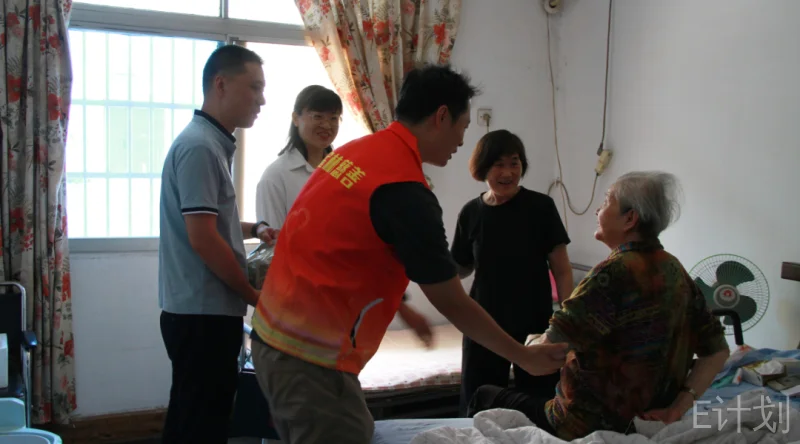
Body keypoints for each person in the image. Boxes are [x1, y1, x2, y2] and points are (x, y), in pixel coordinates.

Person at [249, 64, 569, 444]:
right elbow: (451, 298)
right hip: (308, 355)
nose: (461, 141)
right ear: (442, 117)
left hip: (278, 335)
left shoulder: (355, 153)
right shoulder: (405, 188)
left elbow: (348, 252)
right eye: (463, 127)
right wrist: (523, 356)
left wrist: (401, 307)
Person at [467, 171, 730, 440]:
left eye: (605, 202)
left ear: (629, 219)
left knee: (483, 395)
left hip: (583, 426)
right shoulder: (676, 271)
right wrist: (678, 408)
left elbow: (545, 356)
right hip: (651, 423)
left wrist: (532, 342)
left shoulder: (611, 275)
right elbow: (718, 351)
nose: (597, 210)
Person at [157, 44, 278, 444]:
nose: (261, 100)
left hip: (200, 312)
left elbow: (211, 223)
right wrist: (251, 295)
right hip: (202, 315)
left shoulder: (210, 143)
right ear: (221, 84)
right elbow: (204, 239)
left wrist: (255, 227)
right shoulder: (200, 147)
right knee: (202, 425)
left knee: (191, 418)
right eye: (254, 87)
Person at [254, 84, 434, 346]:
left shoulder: (345, 168)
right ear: (296, 118)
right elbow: (273, 250)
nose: (326, 125)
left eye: (334, 118)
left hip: (344, 305)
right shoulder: (276, 176)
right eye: (317, 116)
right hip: (298, 307)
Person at [451, 129, 574, 415]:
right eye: (499, 164)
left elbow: (562, 270)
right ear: (482, 168)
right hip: (484, 323)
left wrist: (568, 320)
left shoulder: (541, 207)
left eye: (514, 163)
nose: (508, 173)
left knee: (540, 404)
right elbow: (460, 267)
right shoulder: (471, 212)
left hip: (534, 323)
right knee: (478, 402)